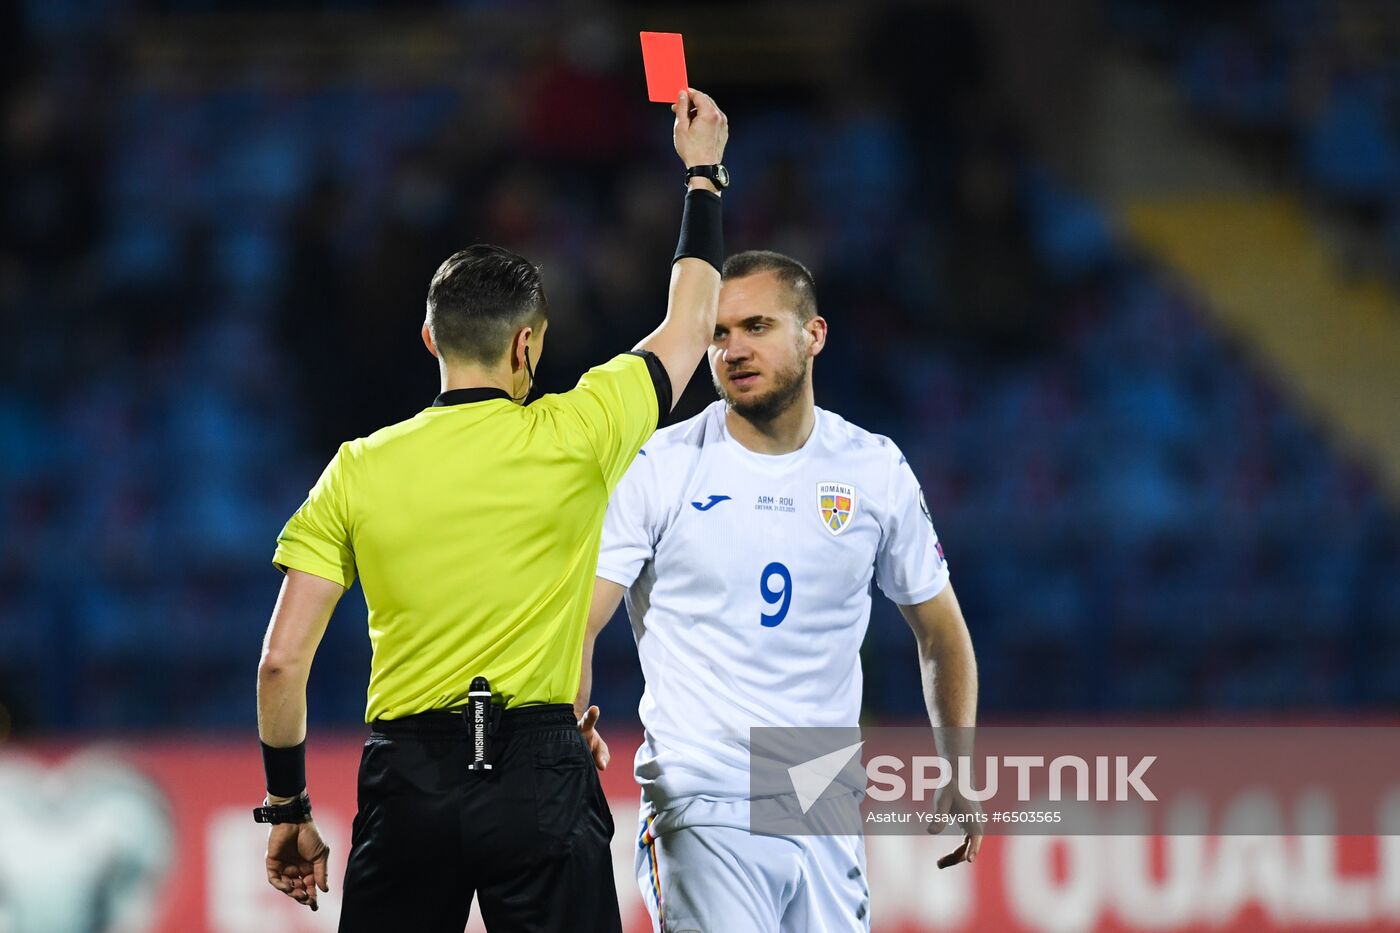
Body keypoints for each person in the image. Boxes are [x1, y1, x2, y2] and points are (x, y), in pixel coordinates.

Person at [252, 88, 730, 932]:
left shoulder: (356, 469)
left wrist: (287, 804)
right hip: (539, 773)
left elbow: (281, 663)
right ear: (528, 345)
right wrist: (702, 173)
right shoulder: (578, 430)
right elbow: (690, 324)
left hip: (409, 785)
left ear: (431, 339)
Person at [578, 250, 982, 932]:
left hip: (818, 792)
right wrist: (563, 723)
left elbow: (941, 629)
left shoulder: (873, 468)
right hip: (699, 792)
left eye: (756, 326)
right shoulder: (659, 469)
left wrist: (958, 767)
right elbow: (579, 621)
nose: (734, 349)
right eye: (719, 333)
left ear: (813, 334)